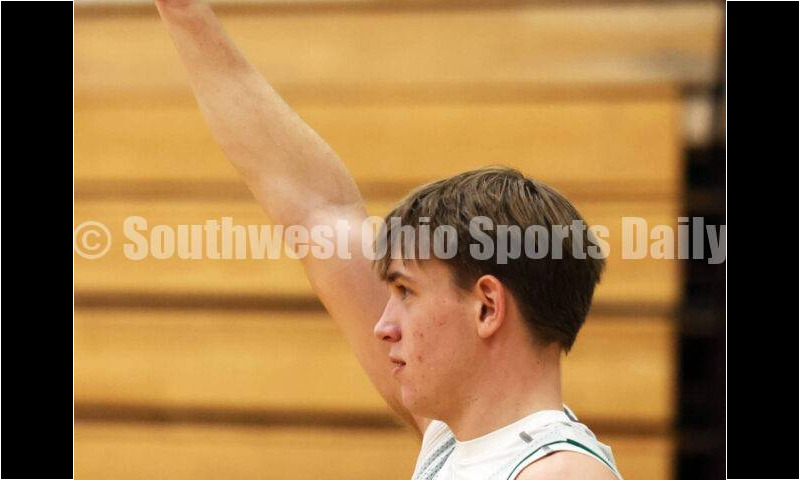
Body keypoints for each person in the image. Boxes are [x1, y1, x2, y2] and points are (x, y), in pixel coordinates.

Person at [154, 1, 623, 478]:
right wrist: (185, 12)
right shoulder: (456, 438)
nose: (382, 325)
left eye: (405, 291)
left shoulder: (561, 473)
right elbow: (315, 210)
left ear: (486, 307)